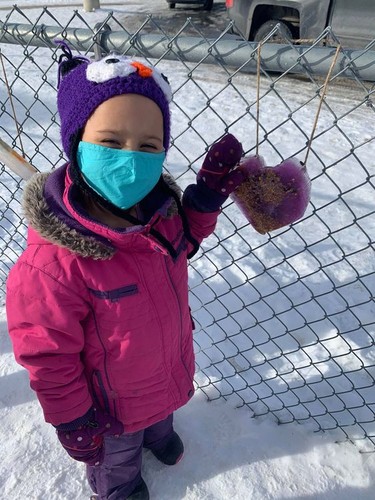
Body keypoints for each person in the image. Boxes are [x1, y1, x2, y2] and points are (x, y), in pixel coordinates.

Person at [6, 42, 245, 500]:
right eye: (111, 142)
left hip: (165, 371)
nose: (131, 157)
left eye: (149, 145)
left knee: (162, 412)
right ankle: (118, 484)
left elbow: (183, 243)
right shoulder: (52, 265)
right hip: (109, 408)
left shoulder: (161, 212)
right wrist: (74, 420)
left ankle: (157, 435)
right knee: (117, 455)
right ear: (76, 142)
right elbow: (48, 357)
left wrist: (203, 202)